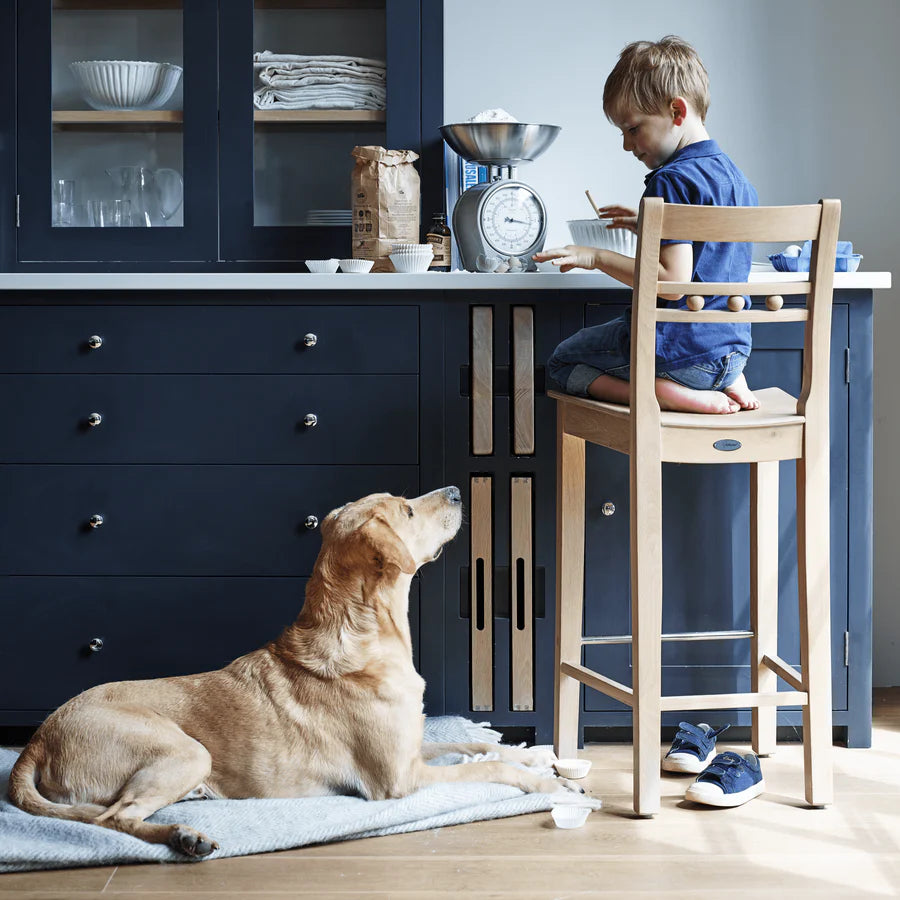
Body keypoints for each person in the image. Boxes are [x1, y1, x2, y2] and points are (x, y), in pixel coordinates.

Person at [535, 35, 759, 414]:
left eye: (633, 128)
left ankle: (669, 395)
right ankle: (726, 381)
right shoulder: (736, 179)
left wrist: (595, 257)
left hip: (680, 358)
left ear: (676, 112)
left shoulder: (669, 180)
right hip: (732, 352)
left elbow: (671, 284)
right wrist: (649, 225)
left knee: (560, 363)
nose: (627, 145)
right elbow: (711, 255)